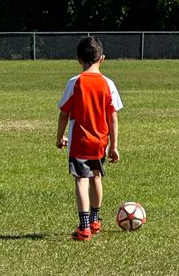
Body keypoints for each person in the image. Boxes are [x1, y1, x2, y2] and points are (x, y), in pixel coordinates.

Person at [56, 36, 123, 241]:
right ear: (101, 58)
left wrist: (60, 137)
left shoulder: (75, 82)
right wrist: (114, 145)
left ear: (78, 59)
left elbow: (64, 113)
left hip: (79, 141)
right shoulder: (108, 83)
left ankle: (84, 227)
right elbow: (113, 117)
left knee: (81, 180)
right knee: (96, 177)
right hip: (100, 142)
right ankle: (95, 220)